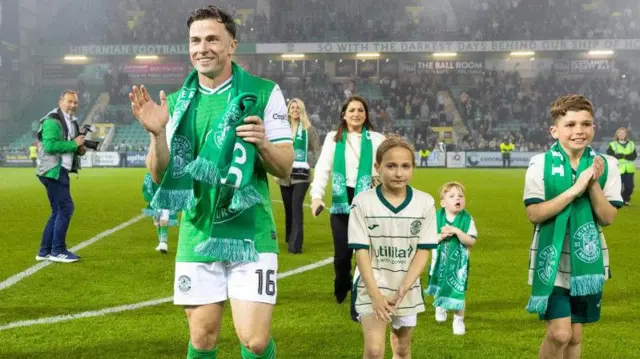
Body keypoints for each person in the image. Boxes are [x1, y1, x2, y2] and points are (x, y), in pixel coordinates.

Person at [128, 6, 294, 359]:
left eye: (212, 39)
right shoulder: (173, 104)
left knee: (255, 341)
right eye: (195, 40)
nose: (202, 48)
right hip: (197, 232)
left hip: (251, 232)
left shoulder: (264, 93)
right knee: (203, 338)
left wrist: (263, 143)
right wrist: (158, 135)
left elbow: (284, 169)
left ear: (232, 45)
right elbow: (159, 176)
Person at [523, 95, 622, 359]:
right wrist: (575, 188)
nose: (579, 130)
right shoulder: (540, 163)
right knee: (560, 334)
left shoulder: (607, 165)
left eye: (585, 124)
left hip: (587, 258)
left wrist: (592, 183)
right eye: (570, 124)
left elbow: (607, 217)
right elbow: (534, 213)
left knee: (575, 337)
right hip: (551, 259)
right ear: (554, 131)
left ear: (594, 127)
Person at [348, 135, 437, 359]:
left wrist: (403, 288)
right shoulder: (362, 201)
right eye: (391, 166)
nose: (399, 173)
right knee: (374, 351)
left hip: (406, 288)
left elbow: (423, 251)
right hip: (372, 285)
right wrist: (375, 294)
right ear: (377, 168)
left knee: (402, 349)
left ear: (413, 168)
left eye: (406, 166)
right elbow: (361, 252)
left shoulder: (425, 202)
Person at [309, 95, 385, 305]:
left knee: (365, 253)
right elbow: (323, 168)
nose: (356, 114)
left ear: (366, 114)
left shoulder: (378, 139)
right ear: (343, 114)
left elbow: (387, 165)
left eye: (360, 110)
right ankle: (342, 281)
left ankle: (361, 291)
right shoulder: (334, 138)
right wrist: (316, 197)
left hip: (368, 200)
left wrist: (381, 179)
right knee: (342, 255)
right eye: (351, 110)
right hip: (342, 201)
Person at [35, 90, 86, 263]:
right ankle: (58, 251)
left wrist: (78, 149)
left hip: (58, 170)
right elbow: (49, 146)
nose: (72, 105)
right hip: (53, 171)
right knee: (66, 208)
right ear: (61, 101)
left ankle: (44, 251)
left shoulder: (71, 121)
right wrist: (73, 144)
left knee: (58, 210)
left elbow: (70, 145)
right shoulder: (52, 120)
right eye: (69, 102)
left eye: (75, 103)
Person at [425, 182, 478, 336]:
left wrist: (457, 232)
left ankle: (458, 320)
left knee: (458, 291)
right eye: (452, 196)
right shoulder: (436, 217)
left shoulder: (467, 219)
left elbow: (471, 241)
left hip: (458, 267)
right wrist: (441, 236)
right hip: (438, 263)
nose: (458, 198)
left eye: (461, 196)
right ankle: (440, 305)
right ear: (443, 203)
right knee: (440, 284)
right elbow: (429, 240)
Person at [275, 98, 320, 254]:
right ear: (288, 110)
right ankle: (290, 237)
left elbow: (316, 150)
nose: (294, 109)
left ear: (302, 110)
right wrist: (276, 169)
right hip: (284, 175)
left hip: (301, 175)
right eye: (292, 107)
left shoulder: (309, 129)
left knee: (296, 207)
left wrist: (310, 164)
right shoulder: (282, 129)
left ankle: (295, 246)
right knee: (288, 208)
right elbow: (276, 151)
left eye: (297, 107)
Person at [142, 172, 179, 254]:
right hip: (167, 200)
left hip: (157, 201)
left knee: (161, 219)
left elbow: (145, 189)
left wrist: (150, 199)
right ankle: (162, 242)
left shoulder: (149, 174)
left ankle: (163, 242)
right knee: (162, 219)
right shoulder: (170, 174)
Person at [606, 127, 636, 206]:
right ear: (617, 135)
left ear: (626, 134)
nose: (621, 134)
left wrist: (622, 156)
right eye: (620, 133)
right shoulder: (613, 144)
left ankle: (625, 199)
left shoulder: (631, 144)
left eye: (623, 133)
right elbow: (610, 155)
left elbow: (633, 156)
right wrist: (623, 156)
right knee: (616, 187)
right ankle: (618, 201)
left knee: (630, 186)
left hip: (629, 169)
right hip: (617, 168)